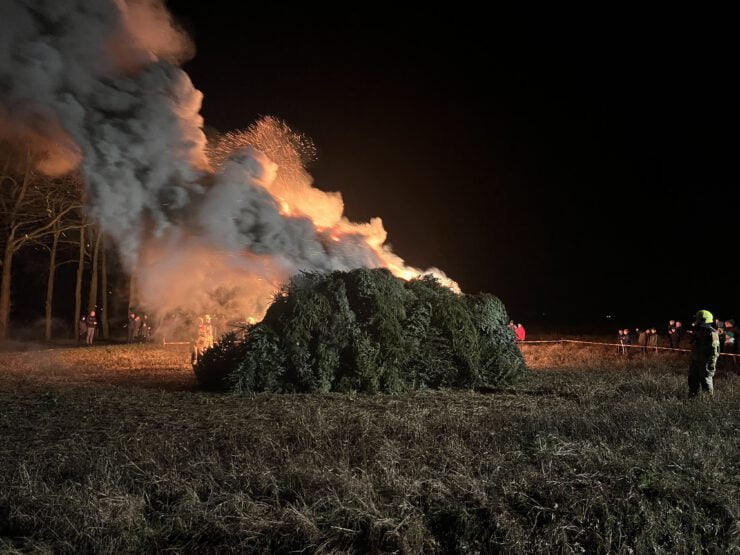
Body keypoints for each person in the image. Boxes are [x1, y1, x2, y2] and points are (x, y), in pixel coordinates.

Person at [688, 309, 719, 398]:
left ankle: (707, 403)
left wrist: (711, 363)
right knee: (693, 381)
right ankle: (692, 400)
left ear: (703, 320)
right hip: (695, 360)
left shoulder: (712, 333)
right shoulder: (699, 331)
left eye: (698, 319)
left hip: (705, 362)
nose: (696, 321)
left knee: (706, 382)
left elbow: (715, 351)